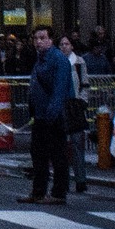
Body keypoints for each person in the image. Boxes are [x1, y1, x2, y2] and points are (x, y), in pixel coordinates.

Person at [22, 26, 72, 205]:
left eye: (42, 37)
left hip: (53, 116)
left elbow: (59, 90)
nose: (38, 41)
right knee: (38, 154)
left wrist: (52, 114)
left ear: (51, 40)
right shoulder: (40, 59)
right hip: (41, 115)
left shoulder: (58, 60)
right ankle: (39, 191)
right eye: (36, 38)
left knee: (57, 155)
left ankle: (58, 192)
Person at [59, 35, 90, 193]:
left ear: (72, 46)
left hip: (75, 106)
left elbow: (85, 83)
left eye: (67, 43)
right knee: (62, 146)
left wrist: (82, 102)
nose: (64, 46)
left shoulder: (79, 62)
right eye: (62, 44)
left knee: (77, 144)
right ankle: (63, 180)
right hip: (61, 106)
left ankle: (80, 180)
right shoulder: (57, 62)